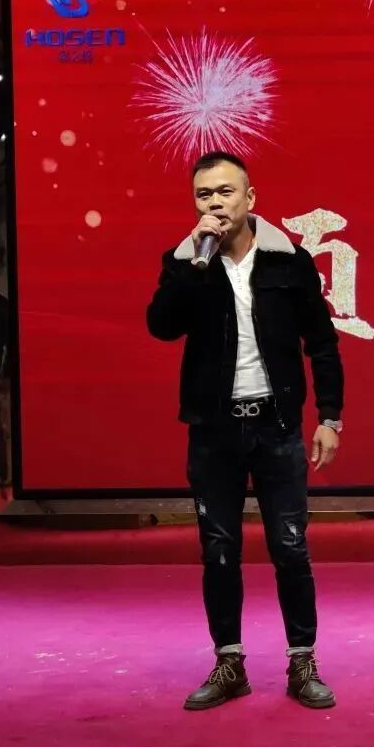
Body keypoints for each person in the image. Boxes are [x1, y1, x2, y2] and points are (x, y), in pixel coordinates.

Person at [146, 151, 343, 710]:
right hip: (214, 432)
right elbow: (161, 326)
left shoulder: (288, 261)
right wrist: (192, 265)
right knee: (219, 549)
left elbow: (322, 343)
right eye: (204, 194)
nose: (215, 203)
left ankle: (302, 662)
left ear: (250, 198)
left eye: (225, 192)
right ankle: (229, 663)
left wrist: (330, 417)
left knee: (291, 547)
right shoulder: (186, 261)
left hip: (277, 426)